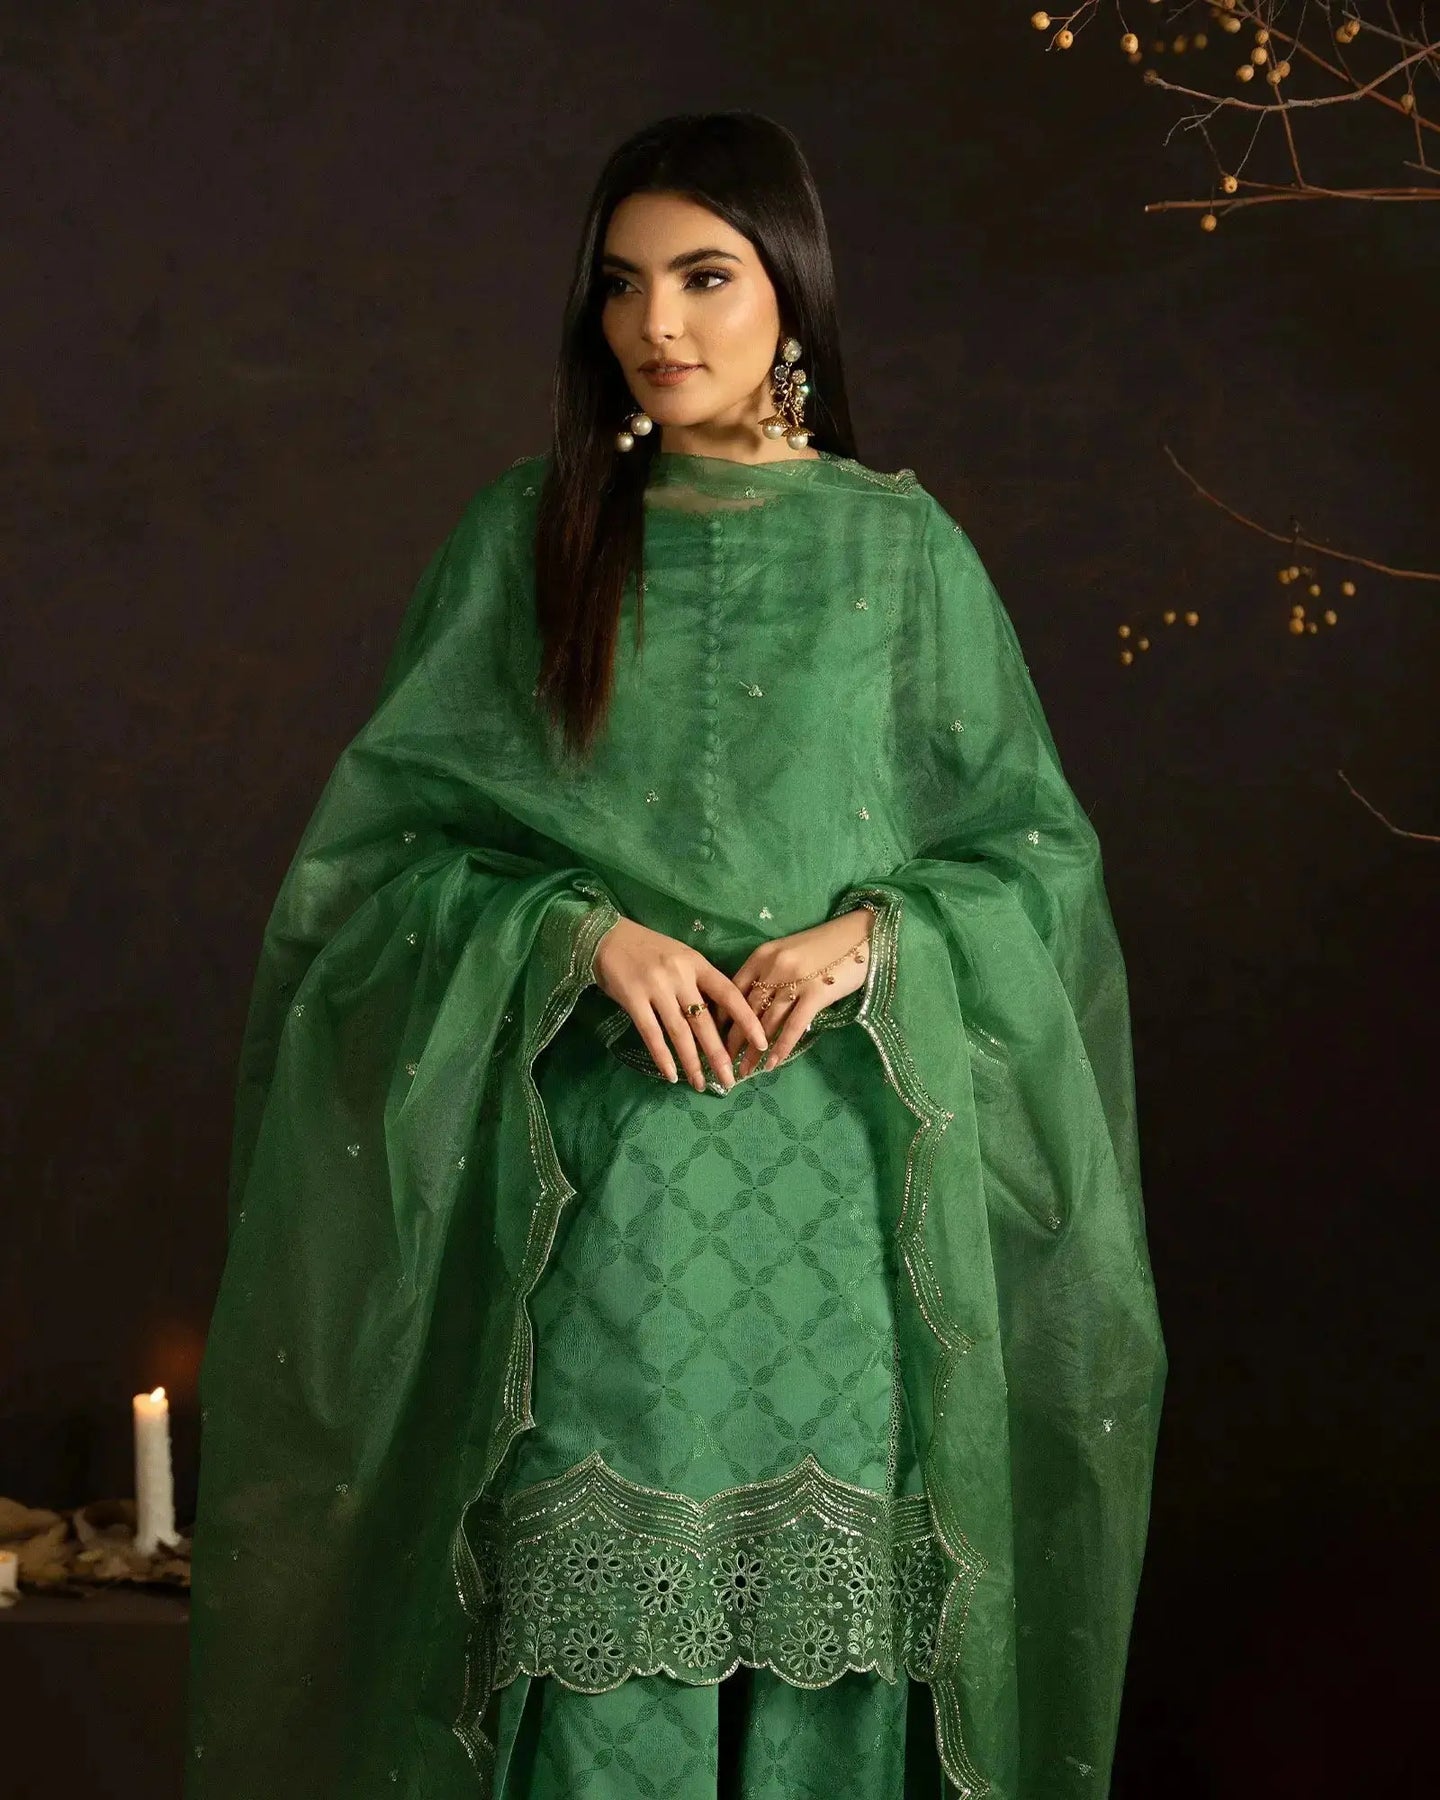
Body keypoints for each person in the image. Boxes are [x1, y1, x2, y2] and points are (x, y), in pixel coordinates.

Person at [186, 111, 1166, 1800]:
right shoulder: (529, 536)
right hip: (595, 1200)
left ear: (793, 289)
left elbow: (1032, 857)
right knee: (592, 1663)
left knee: (830, 1659)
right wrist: (577, 932)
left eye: (707, 277)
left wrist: (875, 936)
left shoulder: (901, 553)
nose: (660, 323)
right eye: (624, 283)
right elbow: (374, 872)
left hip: (839, 1201)